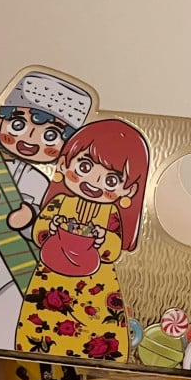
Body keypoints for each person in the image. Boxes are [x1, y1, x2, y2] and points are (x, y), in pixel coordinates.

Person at [0, 70, 93, 349]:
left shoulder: (42, 184)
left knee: (9, 312)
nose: (31, 139)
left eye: (50, 135)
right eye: (19, 125)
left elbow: (45, 230)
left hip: (16, 264)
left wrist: (29, 221)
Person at [15, 118, 149, 361]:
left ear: (129, 190)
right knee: (43, 323)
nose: (93, 182)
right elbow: (39, 233)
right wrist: (50, 227)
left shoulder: (111, 213)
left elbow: (113, 249)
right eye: (85, 167)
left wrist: (102, 239)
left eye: (110, 180)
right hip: (52, 279)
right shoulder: (60, 202)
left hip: (94, 287)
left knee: (96, 326)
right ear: (64, 164)